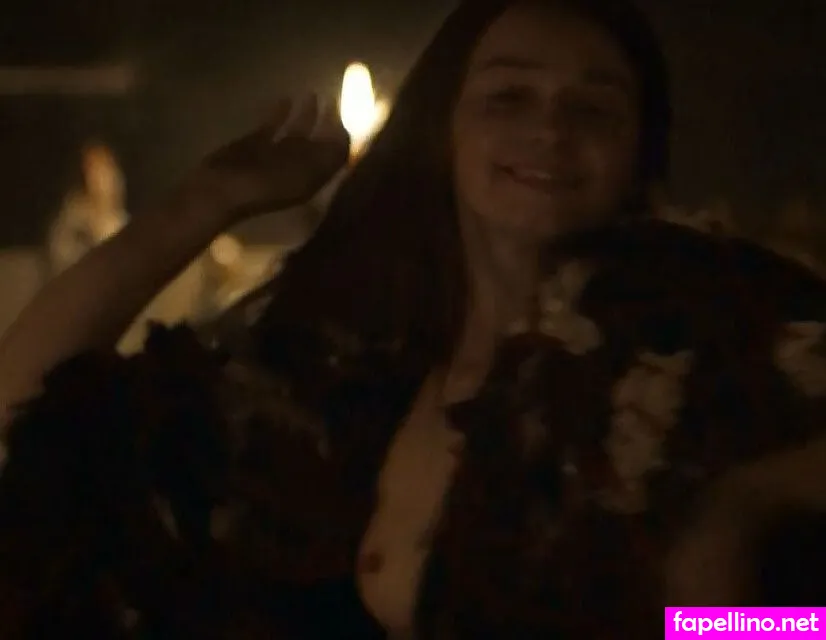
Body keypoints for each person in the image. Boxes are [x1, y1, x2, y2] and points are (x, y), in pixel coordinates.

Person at [1, 0, 825, 638]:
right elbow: (29, 403)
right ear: (445, 130)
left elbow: (799, 625)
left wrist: (734, 523)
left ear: (639, 148)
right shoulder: (340, 373)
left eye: (595, 108)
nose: (549, 128)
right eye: (509, 95)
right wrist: (208, 201)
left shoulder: (713, 334)